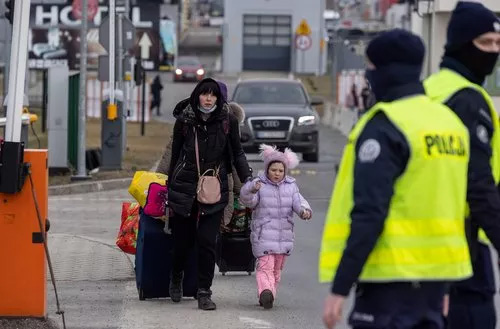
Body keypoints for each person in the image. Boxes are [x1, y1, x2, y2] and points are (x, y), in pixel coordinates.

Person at [319, 29, 472, 329]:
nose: (368, 75)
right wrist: (444, 285)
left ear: (386, 71)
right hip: (435, 283)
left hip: (388, 283)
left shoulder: (385, 124)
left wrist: (340, 287)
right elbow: (458, 203)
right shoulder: (450, 124)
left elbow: (370, 213)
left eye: (371, 68)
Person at [424, 2, 500, 328]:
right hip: (462, 247)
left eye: (498, 44)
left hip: (417, 248)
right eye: (485, 43)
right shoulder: (469, 99)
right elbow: (478, 183)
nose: (493, 52)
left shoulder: (426, 92)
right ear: (459, 44)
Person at [166, 78, 252, 310]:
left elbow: (238, 154)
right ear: (197, 96)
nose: (208, 99)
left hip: (214, 187)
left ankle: (204, 292)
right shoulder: (185, 121)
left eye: (212, 95)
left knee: (207, 241)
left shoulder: (228, 122)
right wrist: (169, 186)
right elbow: (174, 155)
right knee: (183, 241)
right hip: (185, 187)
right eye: (204, 94)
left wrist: (248, 180)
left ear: (218, 98)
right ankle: (176, 275)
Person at [240, 144, 312, 309]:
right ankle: (266, 291)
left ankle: (269, 294)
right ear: (267, 169)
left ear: (285, 171)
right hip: (264, 234)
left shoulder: (291, 187)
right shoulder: (259, 185)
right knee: (265, 266)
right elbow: (247, 200)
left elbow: (298, 202)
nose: (277, 174)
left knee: (277, 271)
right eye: (273, 170)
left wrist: (304, 211)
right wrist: (251, 189)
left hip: (284, 236)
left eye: (280, 171)